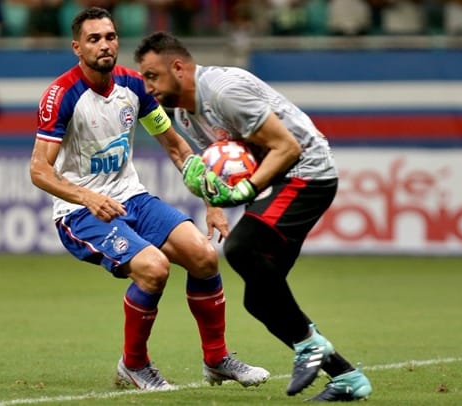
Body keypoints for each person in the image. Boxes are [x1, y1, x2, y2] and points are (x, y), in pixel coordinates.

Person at [29, 7, 269, 391]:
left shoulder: (133, 86)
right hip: (80, 212)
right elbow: (39, 170)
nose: (104, 45)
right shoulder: (62, 96)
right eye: (94, 39)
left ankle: (217, 359)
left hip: (132, 198)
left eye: (110, 37)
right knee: (154, 269)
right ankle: (134, 365)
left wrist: (210, 201)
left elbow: (176, 147)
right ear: (77, 47)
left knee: (204, 256)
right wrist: (87, 197)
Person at [133, 32, 373, 401]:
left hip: (306, 173)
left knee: (242, 248)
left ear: (178, 67)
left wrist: (246, 189)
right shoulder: (184, 113)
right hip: (275, 181)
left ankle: (309, 346)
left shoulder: (223, 92)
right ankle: (346, 378)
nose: (148, 87)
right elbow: (216, 164)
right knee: (260, 299)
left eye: (152, 76)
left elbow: (288, 146)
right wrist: (213, 204)